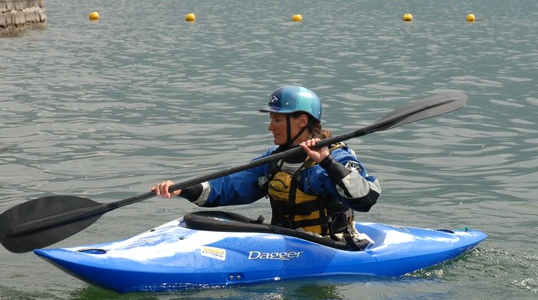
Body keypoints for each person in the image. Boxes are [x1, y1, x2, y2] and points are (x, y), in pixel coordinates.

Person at [152, 85, 381, 247]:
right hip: (284, 243)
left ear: (302, 121)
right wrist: (183, 188)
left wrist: (327, 162)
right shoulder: (274, 160)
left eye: (277, 119)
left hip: (331, 246)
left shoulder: (337, 156)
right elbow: (231, 185)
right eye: (271, 119)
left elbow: (366, 199)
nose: (270, 127)